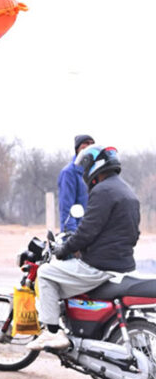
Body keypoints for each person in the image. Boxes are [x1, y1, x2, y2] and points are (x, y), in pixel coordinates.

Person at [30, 145, 141, 351]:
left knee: (46, 273)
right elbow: (132, 235)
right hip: (123, 265)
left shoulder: (103, 191)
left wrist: (64, 249)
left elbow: (87, 232)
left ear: (94, 166)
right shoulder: (126, 191)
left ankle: (53, 332)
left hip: (101, 266)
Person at [57, 134, 94, 232]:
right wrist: (72, 236)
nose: (89, 146)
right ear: (77, 148)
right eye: (85, 143)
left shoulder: (95, 172)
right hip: (78, 233)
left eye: (91, 143)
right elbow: (67, 208)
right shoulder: (69, 173)